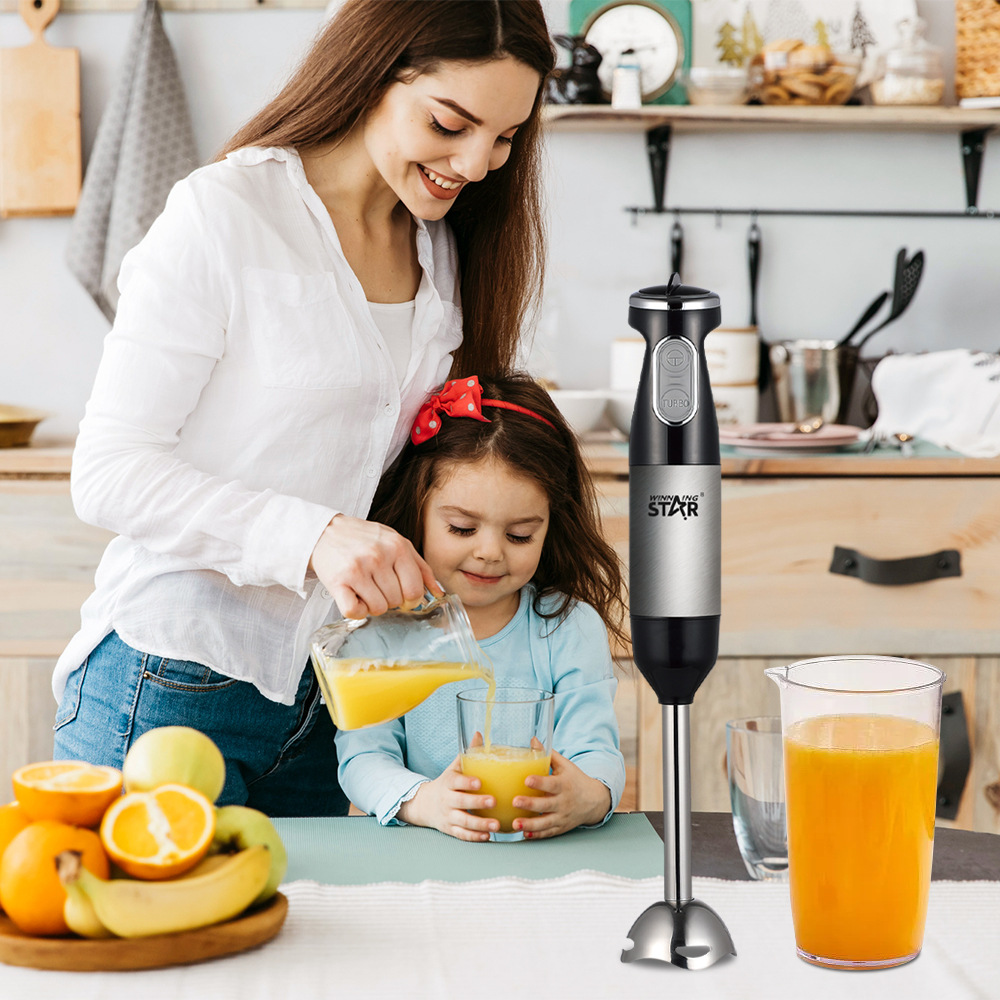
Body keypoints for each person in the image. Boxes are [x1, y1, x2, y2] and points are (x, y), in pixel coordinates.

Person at [51, 1, 555, 817]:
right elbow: (108, 473)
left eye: (503, 138)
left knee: (307, 947)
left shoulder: (442, 249)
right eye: (449, 122)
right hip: (169, 685)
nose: (475, 162)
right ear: (375, 72)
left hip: (329, 706)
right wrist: (313, 536)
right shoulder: (227, 214)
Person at [335, 373, 628, 841]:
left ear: (552, 524)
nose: (491, 552)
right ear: (419, 509)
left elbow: (596, 750)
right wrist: (423, 801)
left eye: (519, 535)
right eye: (462, 529)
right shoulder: (381, 631)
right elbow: (363, 759)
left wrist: (589, 796)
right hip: (428, 853)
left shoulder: (568, 629)